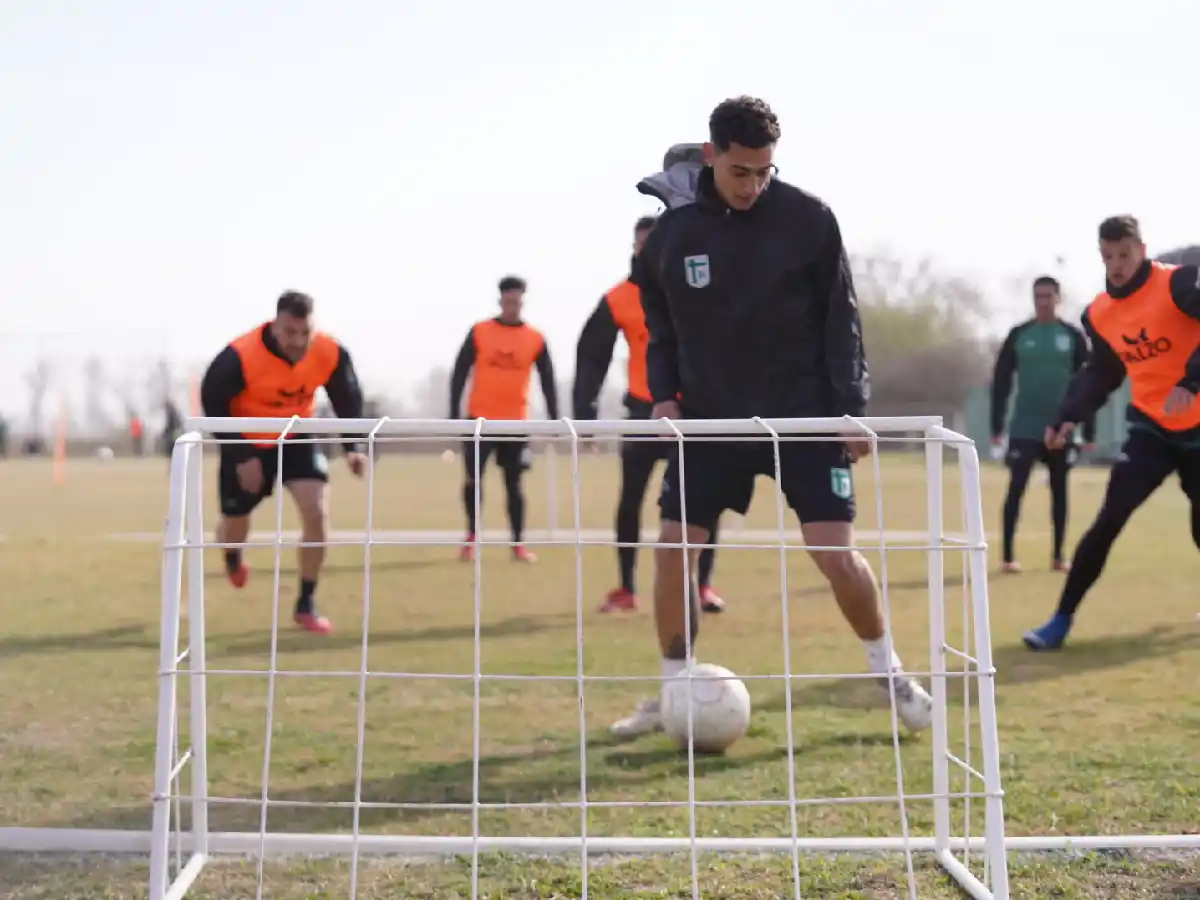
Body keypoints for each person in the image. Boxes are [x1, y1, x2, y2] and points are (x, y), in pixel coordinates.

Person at [609, 96, 932, 739]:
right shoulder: (669, 238)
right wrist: (666, 395)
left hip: (804, 417)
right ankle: (675, 691)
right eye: (740, 173)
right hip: (709, 422)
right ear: (711, 157)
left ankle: (888, 670)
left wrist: (850, 411)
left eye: (765, 172)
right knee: (672, 550)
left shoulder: (809, 219)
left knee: (834, 555)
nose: (754, 185)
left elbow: (843, 321)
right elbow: (662, 328)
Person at [1024, 215, 1200, 650]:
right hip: (1151, 428)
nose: (1117, 265)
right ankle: (1060, 619)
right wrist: (1067, 415)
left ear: (1141, 249)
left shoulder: (1180, 285)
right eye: (1108, 256)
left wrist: (1190, 381)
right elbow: (1101, 373)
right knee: (1109, 518)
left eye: (1124, 254)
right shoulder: (1100, 314)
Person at [573, 213, 726, 614]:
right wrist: (584, 415)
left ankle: (703, 586)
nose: (647, 251)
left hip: (694, 413)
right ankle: (626, 587)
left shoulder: (695, 288)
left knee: (704, 499)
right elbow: (591, 358)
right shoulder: (619, 298)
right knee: (631, 500)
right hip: (642, 412)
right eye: (641, 245)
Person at [200, 290, 367, 635]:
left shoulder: (329, 351)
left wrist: (353, 446)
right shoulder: (240, 356)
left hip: (296, 436)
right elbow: (212, 404)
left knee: (317, 511)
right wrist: (242, 456)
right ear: (275, 325)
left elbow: (346, 397)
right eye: (290, 333)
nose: (298, 341)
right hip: (247, 441)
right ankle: (232, 555)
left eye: (305, 333)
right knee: (235, 523)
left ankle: (305, 602)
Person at [450, 275, 559, 563]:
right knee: (474, 480)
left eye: (517, 301)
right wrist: (452, 415)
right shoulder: (480, 332)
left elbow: (548, 380)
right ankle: (472, 538)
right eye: (508, 300)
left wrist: (555, 418)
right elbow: (459, 372)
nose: (512, 306)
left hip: (515, 422)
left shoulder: (535, 338)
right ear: (500, 300)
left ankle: (518, 544)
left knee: (514, 483)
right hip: (479, 420)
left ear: (522, 301)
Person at [990, 276, 1093, 573]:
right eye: (1038, 296)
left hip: (1061, 429)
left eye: (1048, 296)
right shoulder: (1020, 335)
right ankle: (1008, 557)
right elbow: (1001, 381)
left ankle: (1059, 556)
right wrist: (997, 425)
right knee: (1015, 489)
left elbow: (1088, 385)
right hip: (1025, 427)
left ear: (1058, 298)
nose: (1043, 301)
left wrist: (1088, 429)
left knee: (1060, 492)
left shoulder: (1073, 336)